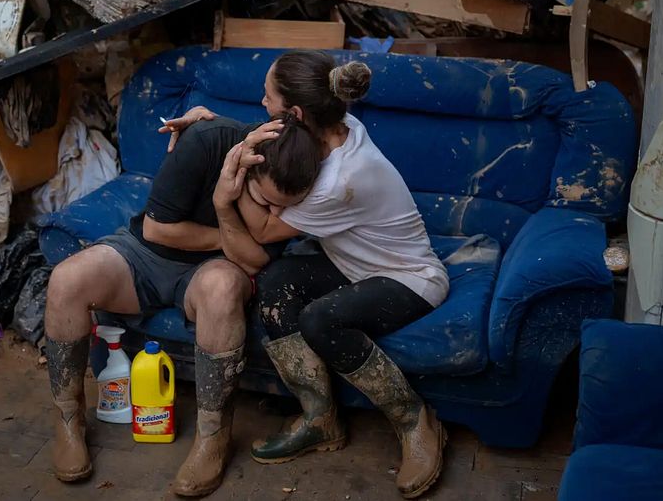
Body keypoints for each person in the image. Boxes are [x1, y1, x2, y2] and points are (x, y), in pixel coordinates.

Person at [160, 52, 450, 499]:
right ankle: (320, 420)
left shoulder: (340, 178)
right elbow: (276, 140)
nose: (260, 101)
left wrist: (232, 176)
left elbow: (261, 230)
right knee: (275, 284)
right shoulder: (335, 126)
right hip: (351, 265)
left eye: (267, 96)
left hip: (408, 276)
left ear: (294, 113)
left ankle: (415, 420)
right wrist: (209, 123)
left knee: (321, 319)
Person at [44, 114, 322, 497]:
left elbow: (255, 262)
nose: (274, 217)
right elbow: (157, 230)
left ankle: (213, 436)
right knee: (66, 280)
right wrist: (232, 236)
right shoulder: (207, 140)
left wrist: (226, 208)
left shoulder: (299, 177)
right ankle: (68, 420)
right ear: (245, 164)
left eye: (284, 210)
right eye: (266, 202)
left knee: (222, 287)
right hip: (147, 252)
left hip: (213, 270)